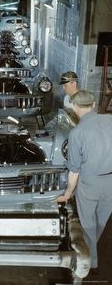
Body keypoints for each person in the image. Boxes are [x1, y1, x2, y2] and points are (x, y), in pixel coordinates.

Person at [56, 90, 112, 270]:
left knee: (87, 224)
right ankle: (90, 251)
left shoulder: (77, 133)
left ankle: (91, 262)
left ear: (74, 108)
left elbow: (74, 171)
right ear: (94, 104)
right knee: (101, 222)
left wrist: (67, 193)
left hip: (89, 184)